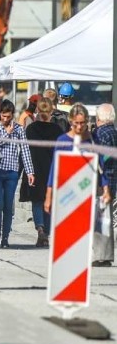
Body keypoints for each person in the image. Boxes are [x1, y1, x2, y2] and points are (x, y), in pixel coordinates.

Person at [45, 103, 112, 265]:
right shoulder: (62, 140)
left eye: (82, 123)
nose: (79, 126)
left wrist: (106, 189)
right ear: (70, 121)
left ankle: (95, 256)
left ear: (87, 121)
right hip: (67, 190)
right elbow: (54, 169)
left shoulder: (93, 140)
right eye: (76, 123)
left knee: (93, 225)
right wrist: (49, 195)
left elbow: (100, 166)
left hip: (89, 189)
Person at [0, 99, 35, 249]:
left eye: (8, 116)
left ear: (12, 115)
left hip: (12, 172)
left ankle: (5, 237)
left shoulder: (19, 130)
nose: (5, 119)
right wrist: (6, 135)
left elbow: (25, 150)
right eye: (3, 116)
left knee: (8, 206)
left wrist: (29, 171)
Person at [23, 97, 63, 247]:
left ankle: (40, 228)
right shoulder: (57, 130)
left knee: (37, 201)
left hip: (34, 170)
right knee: (49, 202)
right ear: (51, 110)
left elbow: (25, 151)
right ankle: (46, 232)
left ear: (38, 110)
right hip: (52, 170)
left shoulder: (31, 129)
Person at [93, 103, 117, 200]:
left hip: (102, 184)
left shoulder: (99, 134)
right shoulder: (114, 132)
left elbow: (97, 161)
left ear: (98, 118)